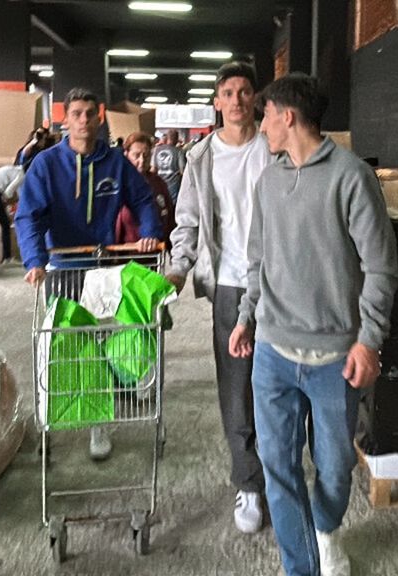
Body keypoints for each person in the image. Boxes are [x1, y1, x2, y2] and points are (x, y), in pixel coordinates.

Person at [228, 73, 398, 576]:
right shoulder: (269, 179)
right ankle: (301, 567)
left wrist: (369, 341)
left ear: (288, 116)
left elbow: (382, 267)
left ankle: (324, 527)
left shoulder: (351, 178)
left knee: (335, 469)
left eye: (266, 116)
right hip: (273, 354)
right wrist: (246, 318)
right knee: (278, 470)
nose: (261, 127)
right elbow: (256, 260)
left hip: (334, 359)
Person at [16, 88, 162, 460]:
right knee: (60, 347)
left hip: (102, 269)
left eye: (89, 114)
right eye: (76, 113)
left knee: (100, 346)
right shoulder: (47, 165)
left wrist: (149, 234)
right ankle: (50, 422)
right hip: (63, 267)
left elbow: (143, 199)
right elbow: (28, 214)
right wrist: (34, 260)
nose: (83, 120)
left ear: (100, 117)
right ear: (67, 119)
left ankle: (100, 425)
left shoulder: (115, 163)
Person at [164, 61, 274, 534]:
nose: (236, 100)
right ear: (216, 101)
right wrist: (177, 268)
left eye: (244, 91)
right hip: (230, 285)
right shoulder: (201, 157)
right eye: (227, 92)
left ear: (256, 99)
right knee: (237, 386)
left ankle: (283, 472)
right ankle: (248, 482)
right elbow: (187, 219)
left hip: (280, 281)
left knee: (279, 381)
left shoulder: (276, 148)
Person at [116, 131, 175, 243]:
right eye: (136, 155)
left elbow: (170, 217)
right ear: (126, 154)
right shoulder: (118, 185)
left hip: (157, 252)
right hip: (127, 256)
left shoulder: (158, 183)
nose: (142, 160)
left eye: (146, 155)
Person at [153, 129, 187, 203]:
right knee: (173, 206)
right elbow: (182, 171)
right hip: (173, 185)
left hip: (159, 184)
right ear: (176, 139)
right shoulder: (179, 151)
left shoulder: (156, 150)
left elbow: (153, 169)